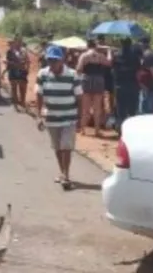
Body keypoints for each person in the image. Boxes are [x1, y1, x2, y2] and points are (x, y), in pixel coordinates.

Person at [36, 45, 83, 189]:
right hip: (51, 117)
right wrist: (39, 116)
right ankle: (62, 172)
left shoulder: (72, 75)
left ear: (62, 60)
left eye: (55, 60)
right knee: (57, 148)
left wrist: (80, 117)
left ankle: (66, 175)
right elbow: (39, 94)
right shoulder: (42, 74)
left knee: (66, 146)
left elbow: (79, 97)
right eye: (50, 60)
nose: (52, 63)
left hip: (69, 117)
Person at [76, 39, 109, 137]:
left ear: (87, 46)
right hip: (99, 80)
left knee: (85, 107)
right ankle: (97, 130)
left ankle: (83, 129)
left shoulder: (84, 55)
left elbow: (78, 69)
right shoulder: (101, 56)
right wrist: (109, 52)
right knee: (97, 107)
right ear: (95, 46)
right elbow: (108, 63)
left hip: (86, 79)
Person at [110, 36, 140, 131]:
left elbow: (112, 68)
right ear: (130, 44)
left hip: (120, 85)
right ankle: (132, 130)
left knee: (120, 109)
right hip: (133, 85)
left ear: (121, 44)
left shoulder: (116, 55)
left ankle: (121, 130)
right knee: (132, 110)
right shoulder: (135, 56)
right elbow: (139, 71)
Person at [136, 38, 153, 115]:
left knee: (146, 108)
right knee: (150, 107)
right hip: (151, 85)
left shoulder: (146, 55)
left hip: (146, 85)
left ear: (142, 44)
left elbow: (152, 70)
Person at [6, 37, 29, 111]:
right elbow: (8, 61)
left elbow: (27, 60)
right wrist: (16, 64)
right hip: (13, 71)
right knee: (14, 88)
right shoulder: (10, 51)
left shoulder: (24, 51)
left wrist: (27, 69)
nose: (18, 43)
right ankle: (15, 104)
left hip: (22, 71)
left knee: (23, 88)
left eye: (20, 42)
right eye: (17, 42)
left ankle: (22, 102)